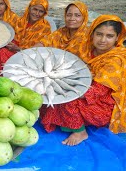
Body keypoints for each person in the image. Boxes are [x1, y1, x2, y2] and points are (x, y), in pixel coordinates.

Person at [40, 15, 126, 146]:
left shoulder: (115, 60)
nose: (103, 40)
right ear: (92, 34)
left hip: (103, 103)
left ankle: (80, 132)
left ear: (117, 38)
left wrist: (63, 89)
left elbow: (96, 92)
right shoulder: (88, 49)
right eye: (99, 34)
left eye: (109, 36)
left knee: (65, 101)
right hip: (84, 87)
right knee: (46, 101)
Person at [0, 0, 51, 72]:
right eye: (35, 9)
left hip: (30, 59)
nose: (37, 13)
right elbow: (11, 35)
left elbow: (38, 51)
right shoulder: (20, 21)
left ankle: (8, 77)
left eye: (41, 11)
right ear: (29, 8)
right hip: (15, 51)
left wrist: (18, 49)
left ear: (44, 13)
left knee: (2, 53)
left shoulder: (45, 27)